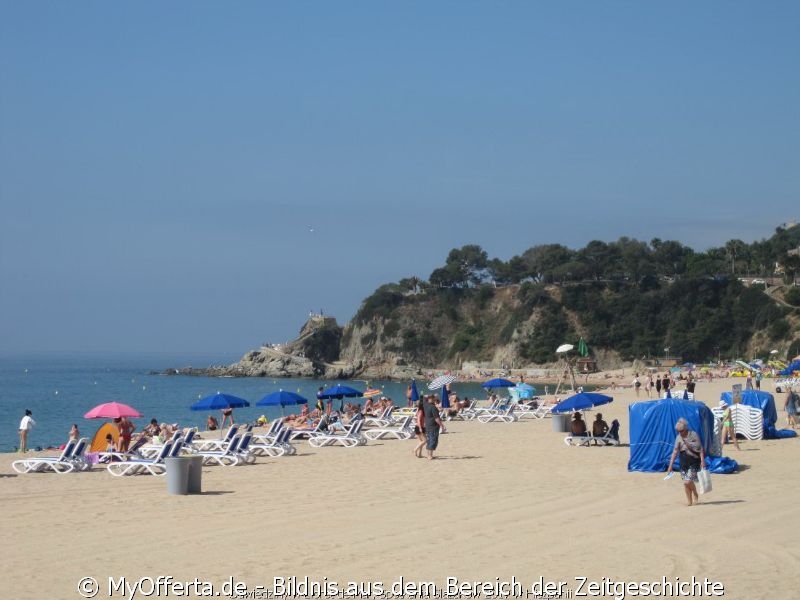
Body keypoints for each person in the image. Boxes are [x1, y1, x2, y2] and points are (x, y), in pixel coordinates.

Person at [667, 418, 706, 506]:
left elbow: (700, 449)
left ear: (685, 428)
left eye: (681, 431)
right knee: (686, 484)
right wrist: (670, 465)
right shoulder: (678, 437)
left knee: (687, 482)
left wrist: (702, 461)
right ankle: (689, 501)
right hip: (683, 462)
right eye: (678, 431)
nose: (680, 433)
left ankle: (695, 493)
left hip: (694, 461)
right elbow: (675, 451)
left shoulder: (693, 435)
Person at [422, 394, 444, 460]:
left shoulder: (425, 405)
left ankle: (429, 454)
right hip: (433, 426)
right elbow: (436, 418)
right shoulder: (433, 407)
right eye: (434, 398)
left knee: (429, 440)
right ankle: (430, 455)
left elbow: (423, 398)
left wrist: (427, 396)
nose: (435, 399)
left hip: (427, 425)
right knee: (433, 440)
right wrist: (442, 425)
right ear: (432, 399)